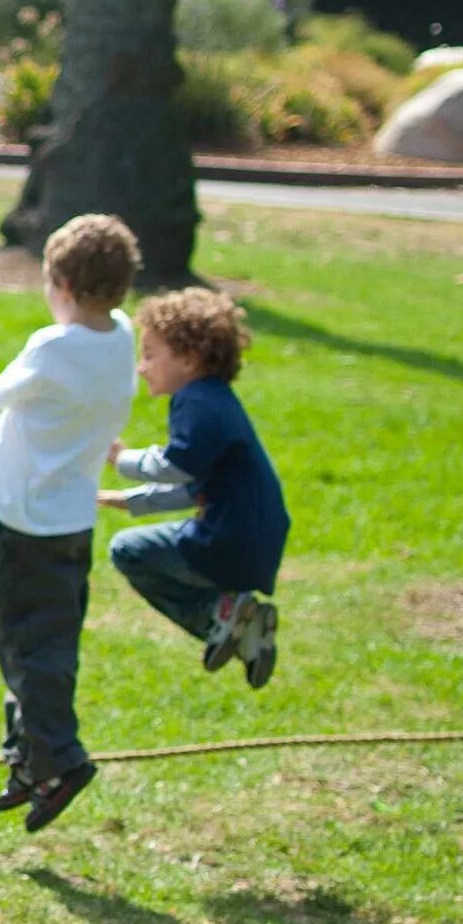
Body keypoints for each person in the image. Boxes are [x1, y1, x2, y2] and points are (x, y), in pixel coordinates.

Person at [0, 214, 142, 832]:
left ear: (63, 286)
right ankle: (29, 753)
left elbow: (0, 392)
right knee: (53, 640)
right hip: (73, 520)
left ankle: (57, 756)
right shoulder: (121, 335)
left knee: (24, 647)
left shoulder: (53, 346)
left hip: (27, 520)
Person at [104, 288, 288, 687]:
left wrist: (122, 460)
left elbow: (176, 465)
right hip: (259, 544)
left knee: (128, 552)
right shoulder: (218, 401)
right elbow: (192, 487)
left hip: (225, 541)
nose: (141, 367)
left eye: (151, 354)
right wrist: (128, 501)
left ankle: (219, 616)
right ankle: (248, 634)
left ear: (188, 359)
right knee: (138, 545)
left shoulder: (195, 401)